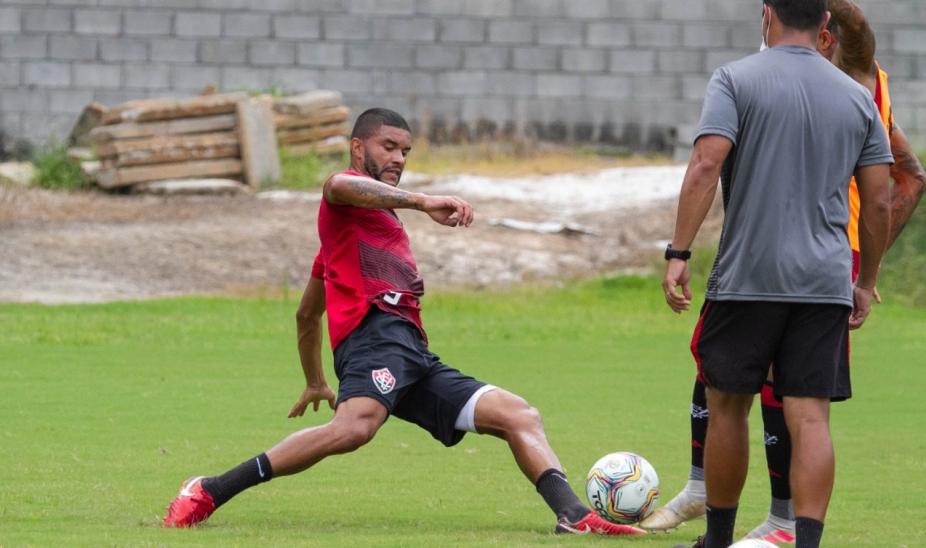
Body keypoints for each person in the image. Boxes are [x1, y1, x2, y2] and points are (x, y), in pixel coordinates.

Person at [162, 108, 645, 536]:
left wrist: (315, 381)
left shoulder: (351, 239)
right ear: (358, 147)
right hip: (373, 342)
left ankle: (573, 516)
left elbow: (307, 314)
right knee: (355, 428)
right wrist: (421, 200)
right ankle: (209, 490)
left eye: (406, 150)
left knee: (519, 415)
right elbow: (340, 185)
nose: (398, 157)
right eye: (387, 146)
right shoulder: (340, 196)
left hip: (411, 354)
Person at [644, 0, 925, 544]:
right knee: (811, 418)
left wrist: (678, 253)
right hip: (825, 283)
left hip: (749, 274)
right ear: (824, 25)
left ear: (767, 15)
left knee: (726, 405)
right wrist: (865, 280)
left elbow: (706, 164)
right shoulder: (857, 96)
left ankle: (720, 538)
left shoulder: (734, 78)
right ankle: (802, 538)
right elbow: (880, 201)